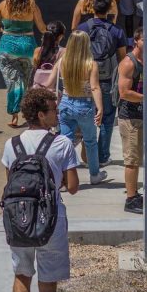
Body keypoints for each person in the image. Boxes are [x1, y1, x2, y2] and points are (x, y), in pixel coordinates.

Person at [1, 87, 79, 292]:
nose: (56, 115)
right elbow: (72, 187)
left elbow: (10, 183)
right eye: (53, 111)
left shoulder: (12, 145)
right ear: (41, 114)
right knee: (48, 284)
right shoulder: (61, 144)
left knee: (22, 275)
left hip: (19, 221)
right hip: (52, 223)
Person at [78, 0, 127, 167]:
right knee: (107, 118)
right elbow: (123, 59)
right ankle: (102, 156)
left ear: (92, 6)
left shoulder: (82, 29)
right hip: (106, 80)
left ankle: (84, 152)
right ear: (109, 8)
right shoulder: (116, 31)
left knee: (84, 115)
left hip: (84, 79)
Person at [0, 0, 47, 128]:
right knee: (27, 81)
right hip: (28, 47)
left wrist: (4, 29)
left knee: (13, 81)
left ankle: (14, 114)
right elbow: (42, 28)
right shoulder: (32, 6)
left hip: (7, 47)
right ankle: (29, 114)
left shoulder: (3, 5)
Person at [56, 31, 107, 186]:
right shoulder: (90, 64)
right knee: (90, 141)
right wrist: (100, 108)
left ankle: (60, 176)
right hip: (84, 105)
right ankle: (94, 174)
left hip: (65, 102)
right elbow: (94, 87)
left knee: (66, 141)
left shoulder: (63, 61)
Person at [117, 28, 147, 214]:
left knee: (139, 157)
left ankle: (135, 193)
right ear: (136, 41)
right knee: (132, 159)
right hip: (129, 117)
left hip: (143, 114)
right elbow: (124, 93)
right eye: (144, 39)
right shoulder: (128, 63)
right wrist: (145, 96)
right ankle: (131, 199)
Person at [31, 21, 66, 91]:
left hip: (38, 88)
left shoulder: (37, 51)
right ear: (60, 37)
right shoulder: (64, 51)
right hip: (55, 89)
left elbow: (34, 68)